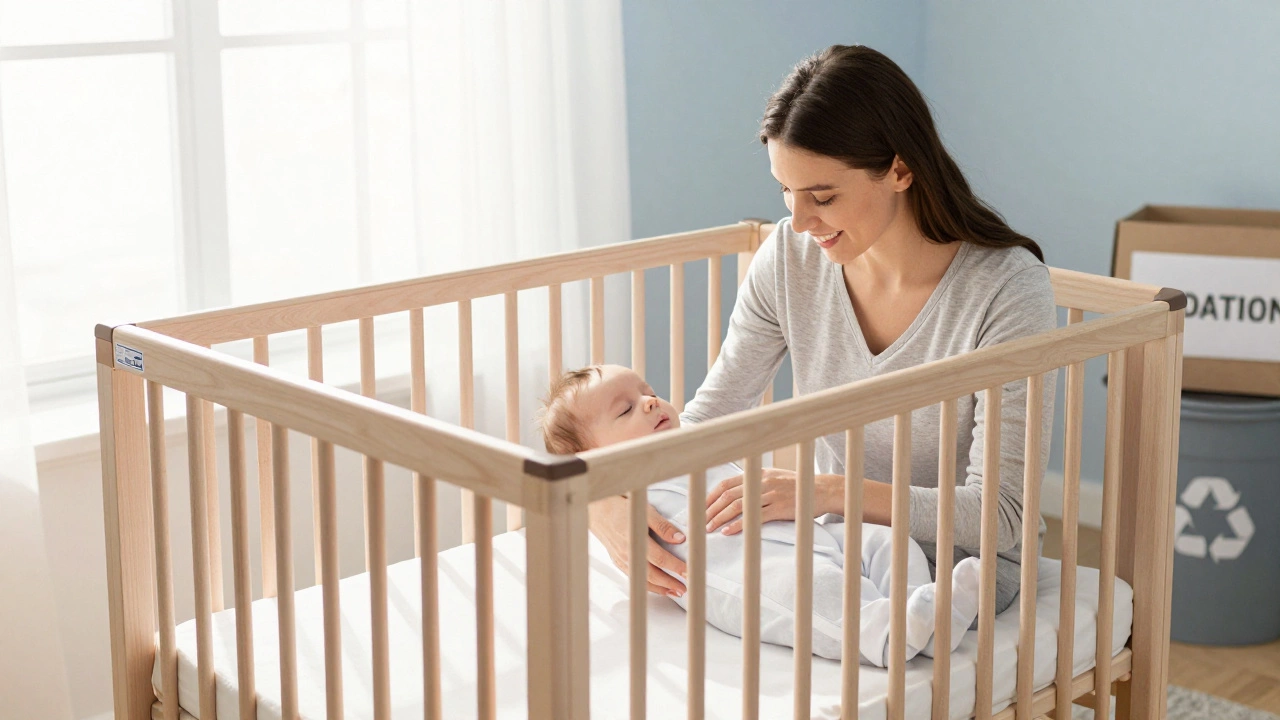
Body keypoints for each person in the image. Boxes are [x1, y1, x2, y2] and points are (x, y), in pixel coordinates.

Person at [586, 44, 1057, 619]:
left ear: (901, 170)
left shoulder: (1007, 289)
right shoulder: (790, 258)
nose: (801, 220)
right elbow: (709, 421)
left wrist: (824, 493)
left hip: (963, 566)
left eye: (823, 196)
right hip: (841, 545)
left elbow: (1003, 515)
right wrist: (600, 499)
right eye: (785, 191)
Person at [538, 363, 982, 665]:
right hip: (748, 570)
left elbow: (722, 419)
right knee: (813, 593)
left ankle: (923, 608)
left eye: (648, 392)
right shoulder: (622, 484)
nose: (651, 402)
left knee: (885, 538)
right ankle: (885, 635)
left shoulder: (691, 438)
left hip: (805, 530)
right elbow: (565, 485)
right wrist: (593, 488)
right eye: (626, 409)